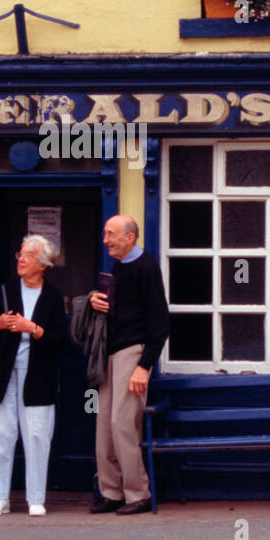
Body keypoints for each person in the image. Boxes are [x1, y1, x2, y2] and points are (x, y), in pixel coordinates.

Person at [0, 235, 68, 517]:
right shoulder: (5, 290)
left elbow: (62, 342)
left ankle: (36, 498)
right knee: (0, 433)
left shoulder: (53, 297)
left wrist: (33, 328)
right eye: (20, 254)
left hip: (39, 376)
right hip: (4, 374)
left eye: (28, 256)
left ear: (42, 265)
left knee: (37, 435)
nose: (21, 259)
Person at [88, 214, 168, 515]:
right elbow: (117, 308)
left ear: (129, 237)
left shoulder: (146, 267)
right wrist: (96, 300)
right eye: (105, 233)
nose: (105, 239)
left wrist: (143, 366)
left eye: (111, 234)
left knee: (122, 425)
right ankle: (111, 492)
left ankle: (138, 494)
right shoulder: (119, 265)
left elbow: (160, 324)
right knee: (104, 427)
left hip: (131, 354)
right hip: (109, 355)